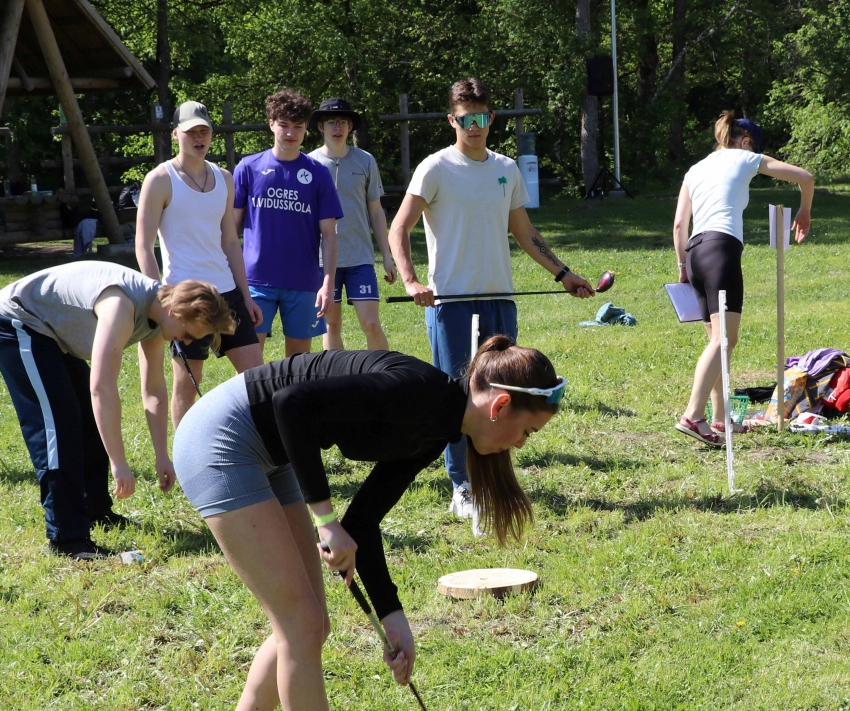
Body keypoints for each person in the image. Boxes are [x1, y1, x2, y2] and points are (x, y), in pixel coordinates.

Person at [174, 336, 565, 711]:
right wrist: (323, 518)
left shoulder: (436, 429)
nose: (521, 444)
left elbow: (363, 522)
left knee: (308, 624)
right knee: (301, 624)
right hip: (223, 437)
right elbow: (291, 404)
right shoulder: (416, 393)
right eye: (527, 431)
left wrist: (392, 616)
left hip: (273, 448)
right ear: (500, 405)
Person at [387, 77, 594, 523]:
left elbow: (523, 230)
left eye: (481, 118)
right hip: (450, 303)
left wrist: (563, 274)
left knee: (503, 393)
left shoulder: (506, 169)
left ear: (492, 118)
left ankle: (492, 479)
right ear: (452, 120)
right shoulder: (435, 168)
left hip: (500, 298)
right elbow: (399, 227)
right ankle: (461, 485)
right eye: (466, 119)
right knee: (458, 397)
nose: (474, 126)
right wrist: (410, 281)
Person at [0, 262, 235, 559]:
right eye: (188, 334)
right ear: (175, 312)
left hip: (50, 335)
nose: (187, 342)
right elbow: (101, 388)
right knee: (59, 427)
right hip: (16, 320)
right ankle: (67, 539)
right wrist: (119, 464)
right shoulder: (120, 305)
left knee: (89, 421)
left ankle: (95, 510)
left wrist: (162, 456)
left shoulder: (157, 317)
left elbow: (153, 390)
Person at [671, 112, 813, 445]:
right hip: (721, 250)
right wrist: (805, 210)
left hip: (695, 254)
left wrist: (683, 267)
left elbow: (679, 225)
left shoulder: (695, 169)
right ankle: (693, 416)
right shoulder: (745, 158)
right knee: (724, 340)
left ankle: (720, 420)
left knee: (717, 342)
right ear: (746, 142)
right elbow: (805, 177)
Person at [134, 100, 262, 426]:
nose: (198, 137)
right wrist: (160, 301)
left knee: (256, 378)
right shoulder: (160, 179)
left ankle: (260, 446)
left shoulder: (225, 178)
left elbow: (230, 241)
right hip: (185, 297)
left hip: (227, 292)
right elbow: (143, 245)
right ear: (175, 134)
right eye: (191, 131)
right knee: (188, 384)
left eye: (204, 131)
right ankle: (185, 452)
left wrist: (246, 296)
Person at [234, 90, 342, 358]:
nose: (291, 133)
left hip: (303, 282)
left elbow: (329, 235)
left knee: (298, 365)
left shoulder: (319, 173)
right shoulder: (248, 168)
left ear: (306, 128)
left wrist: (327, 283)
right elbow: (229, 231)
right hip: (255, 281)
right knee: (250, 363)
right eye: (284, 125)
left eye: (298, 126)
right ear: (271, 124)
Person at [308, 97, 397, 351]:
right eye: (331, 122)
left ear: (350, 127)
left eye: (343, 122)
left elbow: (376, 211)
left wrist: (387, 257)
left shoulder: (366, 160)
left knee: (371, 323)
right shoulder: (309, 164)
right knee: (331, 325)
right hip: (324, 261)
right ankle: (336, 375)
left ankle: (382, 372)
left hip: (360, 258)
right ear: (320, 127)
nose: (337, 127)